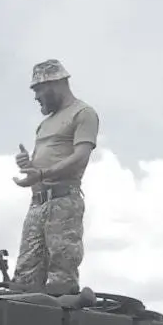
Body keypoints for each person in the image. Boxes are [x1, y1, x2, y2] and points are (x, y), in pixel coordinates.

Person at [12, 60, 99, 295]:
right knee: (24, 278)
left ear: (56, 84)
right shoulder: (44, 124)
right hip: (37, 204)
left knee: (61, 277)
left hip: (63, 202)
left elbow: (80, 157)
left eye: (39, 89)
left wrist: (42, 173)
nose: (37, 97)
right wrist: (28, 167)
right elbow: (42, 165)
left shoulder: (83, 113)